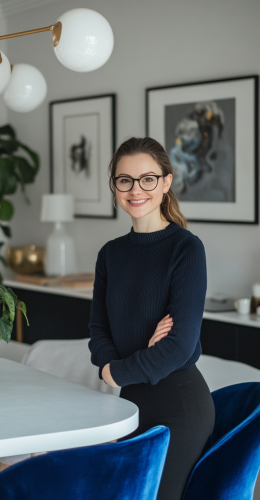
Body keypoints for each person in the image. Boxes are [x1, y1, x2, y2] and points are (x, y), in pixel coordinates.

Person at [88, 137, 215, 500]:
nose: (135, 189)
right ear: (115, 186)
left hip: (179, 406)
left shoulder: (186, 249)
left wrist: (115, 372)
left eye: (147, 178)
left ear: (166, 182)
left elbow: (178, 347)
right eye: (124, 180)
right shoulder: (110, 254)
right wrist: (111, 368)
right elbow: (99, 331)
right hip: (128, 405)